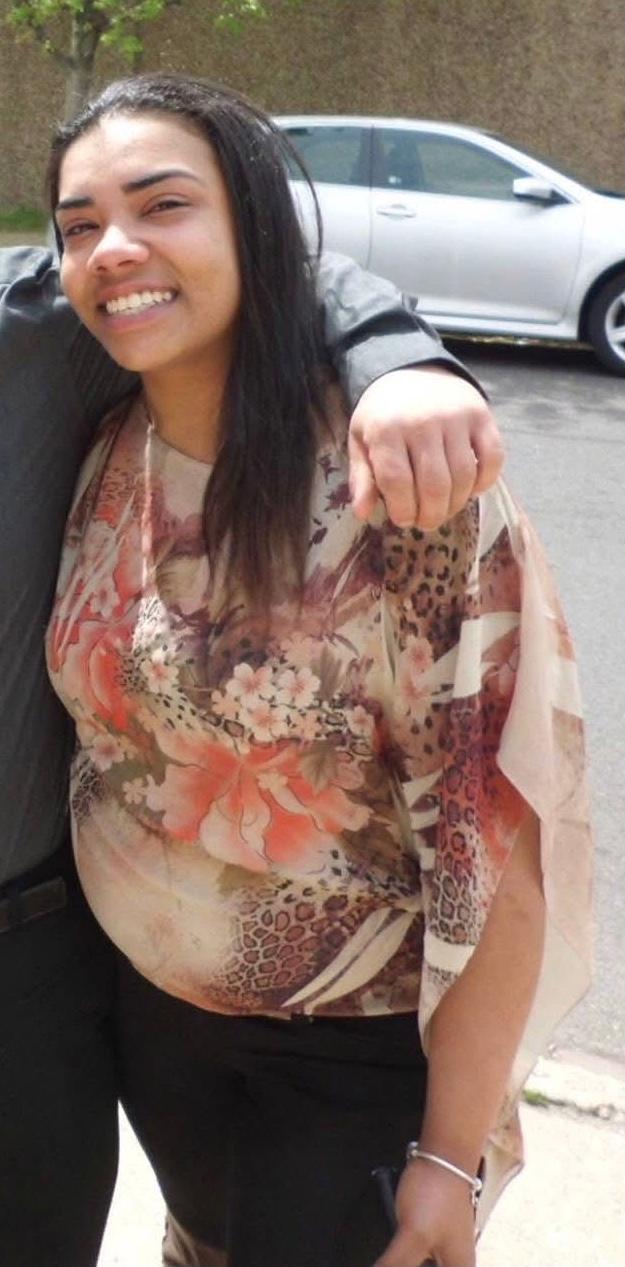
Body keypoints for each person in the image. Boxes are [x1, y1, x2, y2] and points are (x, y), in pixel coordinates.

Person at [45, 73, 593, 1267]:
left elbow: (494, 842)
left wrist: (449, 1155)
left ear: (254, 225)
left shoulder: (399, 491)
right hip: (150, 1034)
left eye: (162, 204)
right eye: (79, 225)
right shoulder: (104, 438)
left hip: (341, 1061)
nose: (113, 248)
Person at [0, 205, 502, 1267]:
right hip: (153, 1001)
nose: (109, 243)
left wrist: (398, 358)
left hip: (31, 962)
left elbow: (218, 268)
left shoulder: (33, 334)